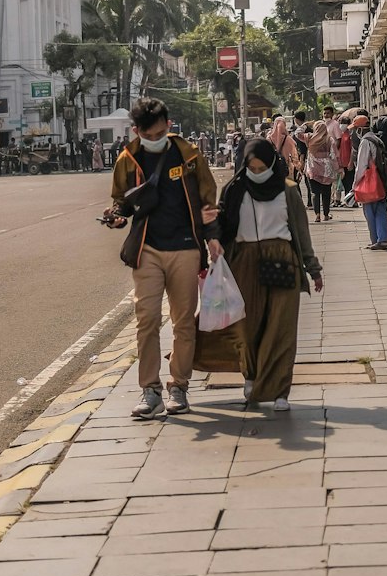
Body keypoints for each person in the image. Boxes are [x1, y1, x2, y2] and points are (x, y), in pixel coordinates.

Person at [106, 97, 221, 420]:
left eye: (159, 134)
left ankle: (179, 386)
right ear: (136, 131)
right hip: (148, 249)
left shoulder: (188, 155)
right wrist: (116, 216)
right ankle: (150, 390)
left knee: (183, 321)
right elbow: (121, 201)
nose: (154, 140)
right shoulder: (128, 158)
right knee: (147, 320)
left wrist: (212, 237)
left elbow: (207, 199)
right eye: (149, 136)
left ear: (169, 126)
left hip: (185, 246)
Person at [218, 138, 323, 410]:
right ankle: (251, 376)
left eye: (262, 166)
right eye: (251, 167)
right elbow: (223, 230)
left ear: (272, 163)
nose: (257, 172)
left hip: (282, 260)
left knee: (281, 327)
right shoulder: (234, 191)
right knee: (248, 326)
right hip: (244, 262)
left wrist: (313, 269)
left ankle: (279, 391)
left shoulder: (288, 191)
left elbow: (301, 232)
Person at [354, 115, 387, 250]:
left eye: (356, 129)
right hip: (380, 180)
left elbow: (361, 166)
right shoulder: (376, 139)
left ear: (360, 129)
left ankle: (376, 239)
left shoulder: (365, 142)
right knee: (381, 210)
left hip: (369, 181)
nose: (355, 132)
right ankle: (383, 239)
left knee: (369, 211)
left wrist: (355, 184)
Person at [304, 120, 336, 222]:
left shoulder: (309, 139)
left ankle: (317, 215)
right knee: (326, 193)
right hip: (326, 169)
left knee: (315, 192)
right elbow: (334, 155)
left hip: (313, 169)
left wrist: (305, 125)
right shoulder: (329, 139)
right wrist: (339, 169)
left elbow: (297, 134)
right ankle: (326, 215)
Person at [268, 115, 301, 180]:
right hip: (287, 169)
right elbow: (294, 155)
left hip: (273, 168)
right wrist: (298, 167)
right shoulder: (288, 139)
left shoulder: (269, 139)